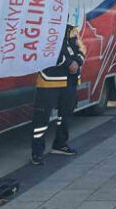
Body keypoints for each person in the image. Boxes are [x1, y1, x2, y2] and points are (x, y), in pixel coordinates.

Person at [30, 23, 85, 164]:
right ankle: (37, 153)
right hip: (49, 80)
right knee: (41, 119)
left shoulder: (72, 30)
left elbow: (82, 49)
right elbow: (47, 50)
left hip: (70, 81)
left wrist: (78, 62)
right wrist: (68, 63)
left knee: (65, 115)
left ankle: (60, 144)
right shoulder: (44, 27)